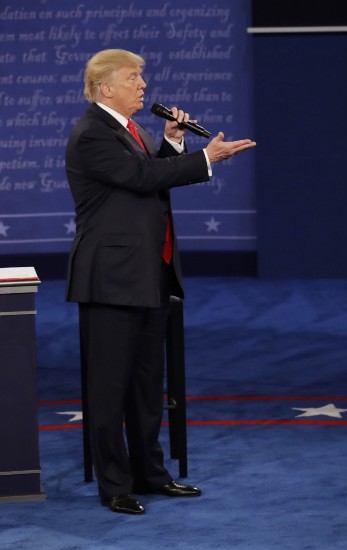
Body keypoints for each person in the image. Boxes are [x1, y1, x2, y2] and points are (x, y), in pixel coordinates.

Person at [64, 48, 256, 515]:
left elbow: (150, 176)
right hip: (110, 279)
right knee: (110, 390)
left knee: (148, 386)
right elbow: (139, 176)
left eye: (141, 79)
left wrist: (172, 142)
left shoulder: (134, 130)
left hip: (148, 274)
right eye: (133, 78)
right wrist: (205, 158)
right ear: (105, 87)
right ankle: (115, 485)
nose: (143, 86)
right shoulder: (93, 133)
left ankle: (150, 474)